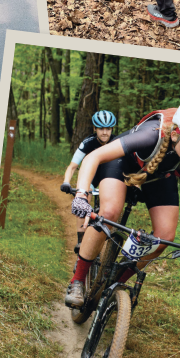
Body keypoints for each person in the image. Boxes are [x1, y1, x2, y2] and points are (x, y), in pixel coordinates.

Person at [65, 102, 180, 308]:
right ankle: (77, 280)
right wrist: (82, 195)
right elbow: (93, 157)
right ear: (175, 135)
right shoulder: (150, 135)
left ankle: (117, 283)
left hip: (158, 176)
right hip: (120, 164)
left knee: (164, 237)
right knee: (109, 212)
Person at [62, 110, 122, 277]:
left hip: (108, 180)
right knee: (83, 198)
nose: (105, 132)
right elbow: (72, 166)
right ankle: (82, 242)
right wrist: (67, 182)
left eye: (109, 129)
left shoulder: (118, 142)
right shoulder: (88, 143)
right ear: (95, 128)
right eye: (101, 128)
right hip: (91, 180)